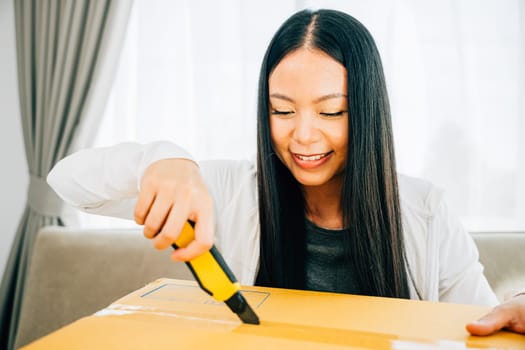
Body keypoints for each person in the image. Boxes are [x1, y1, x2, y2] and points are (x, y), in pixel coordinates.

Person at [47, 9, 525, 335]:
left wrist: (514, 309)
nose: (304, 136)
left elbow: (481, 321)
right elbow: (67, 182)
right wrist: (165, 160)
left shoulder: (426, 211)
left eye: (331, 111)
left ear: (367, 112)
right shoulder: (226, 191)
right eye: (282, 111)